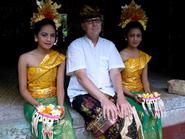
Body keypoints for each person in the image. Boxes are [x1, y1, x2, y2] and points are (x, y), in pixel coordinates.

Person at [66, 4, 142, 139]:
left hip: (108, 92)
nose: (94, 24)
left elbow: (115, 73)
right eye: (90, 22)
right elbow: (81, 77)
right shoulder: (76, 46)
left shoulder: (109, 45)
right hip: (82, 94)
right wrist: (104, 101)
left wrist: (121, 97)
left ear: (101, 23)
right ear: (83, 25)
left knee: (129, 118)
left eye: (97, 20)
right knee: (110, 119)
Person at [18, 1, 76, 138]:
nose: (49, 39)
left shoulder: (59, 58)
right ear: (35, 37)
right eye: (44, 35)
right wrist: (38, 106)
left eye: (52, 35)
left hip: (55, 101)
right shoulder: (24, 58)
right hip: (34, 102)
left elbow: (60, 87)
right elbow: (23, 89)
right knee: (45, 124)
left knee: (65, 123)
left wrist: (61, 107)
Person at [119, 1, 162, 139]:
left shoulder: (144, 57)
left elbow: (145, 81)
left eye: (138, 35)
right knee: (140, 114)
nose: (135, 38)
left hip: (141, 94)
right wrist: (132, 96)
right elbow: (117, 83)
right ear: (126, 36)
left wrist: (150, 97)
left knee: (153, 112)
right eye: (132, 35)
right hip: (127, 94)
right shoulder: (120, 56)